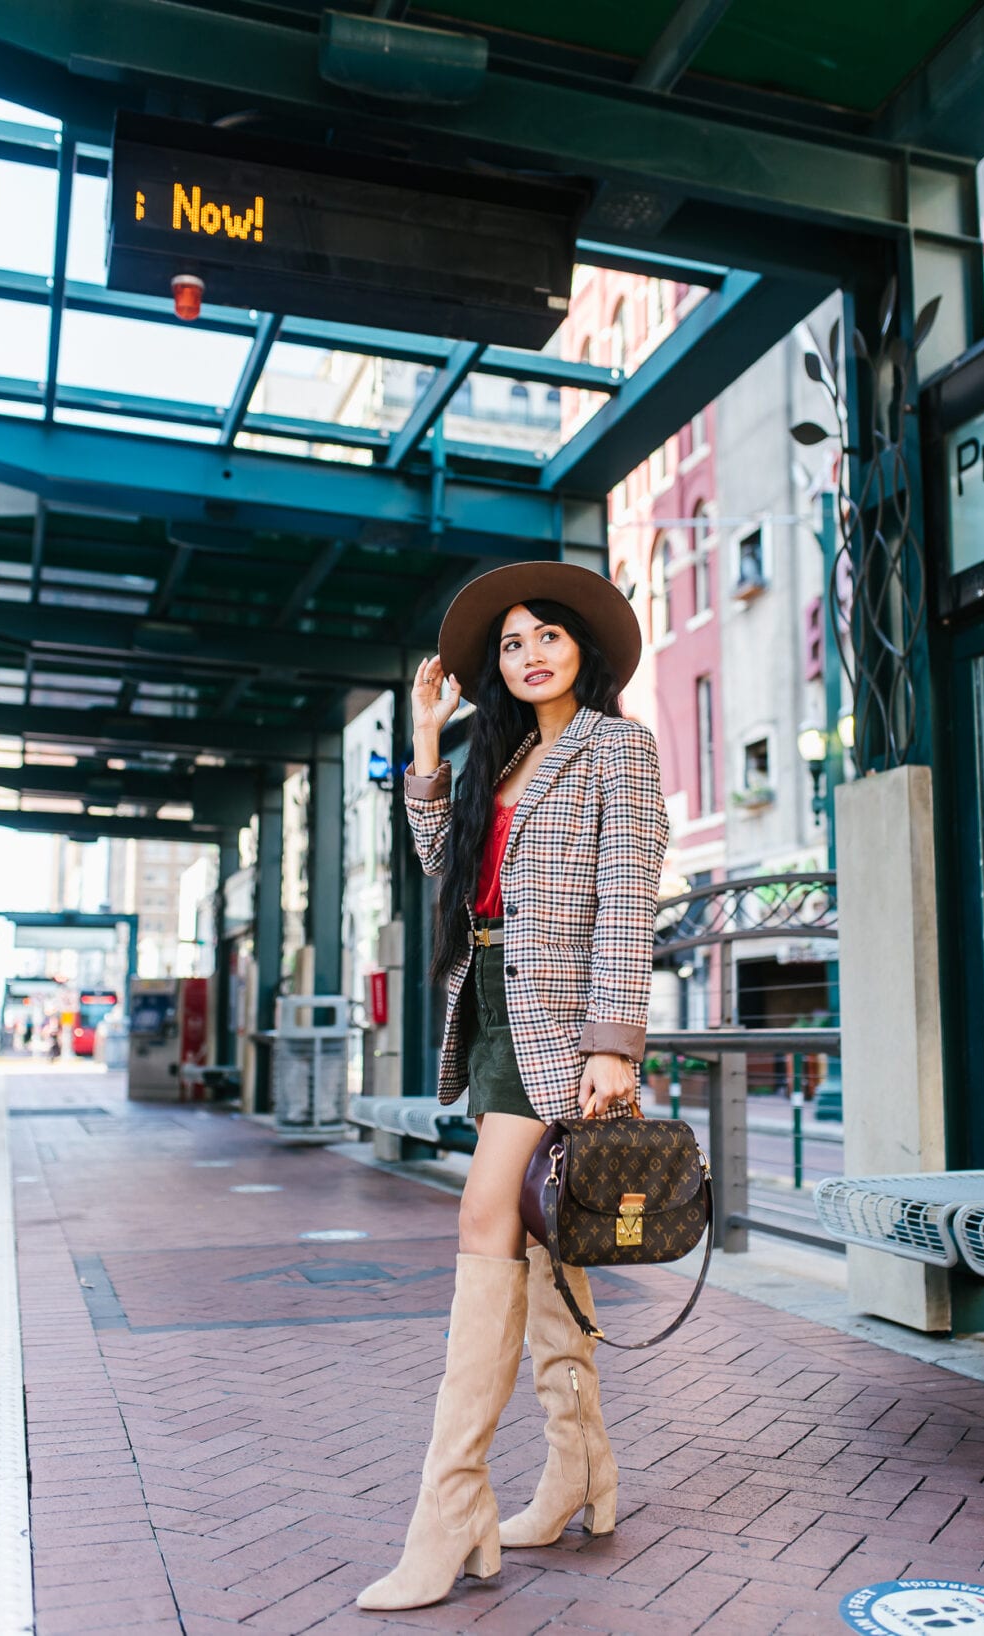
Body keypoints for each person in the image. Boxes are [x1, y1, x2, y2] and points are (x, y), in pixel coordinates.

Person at [358, 561, 668, 1613]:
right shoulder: (507, 755)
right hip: (488, 1004)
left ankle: (451, 1513)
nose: (530, 653)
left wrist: (615, 1040)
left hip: (561, 1026)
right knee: (539, 1243)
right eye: (511, 643)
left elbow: (628, 897)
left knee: (487, 1219)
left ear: (585, 646)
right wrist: (428, 738)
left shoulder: (615, 749)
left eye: (548, 635)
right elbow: (440, 858)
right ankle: (580, 1472)